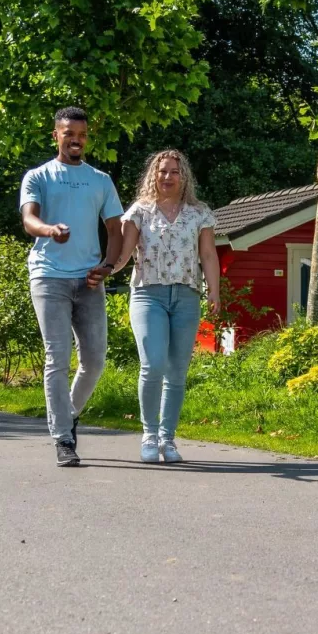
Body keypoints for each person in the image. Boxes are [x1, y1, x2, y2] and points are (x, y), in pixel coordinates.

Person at [19, 107, 124, 467]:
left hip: (89, 279)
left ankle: (69, 414)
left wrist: (108, 266)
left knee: (94, 360)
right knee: (57, 357)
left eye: (81, 134)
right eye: (68, 133)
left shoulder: (100, 180)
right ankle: (63, 437)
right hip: (49, 275)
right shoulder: (39, 176)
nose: (75, 139)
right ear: (56, 136)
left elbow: (116, 230)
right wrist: (49, 230)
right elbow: (29, 218)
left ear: (86, 137)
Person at [115, 149, 220, 464]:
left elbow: (209, 255)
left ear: (183, 176)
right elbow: (124, 253)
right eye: (162, 171)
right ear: (153, 175)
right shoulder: (140, 211)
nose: (168, 177)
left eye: (174, 171)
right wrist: (105, 271)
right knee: (153, 364)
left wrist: (214, 291)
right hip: (149, 294)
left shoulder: (199, 213)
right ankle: (149, 435)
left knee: (176, 372)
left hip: (187, 296)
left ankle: (168, 440)